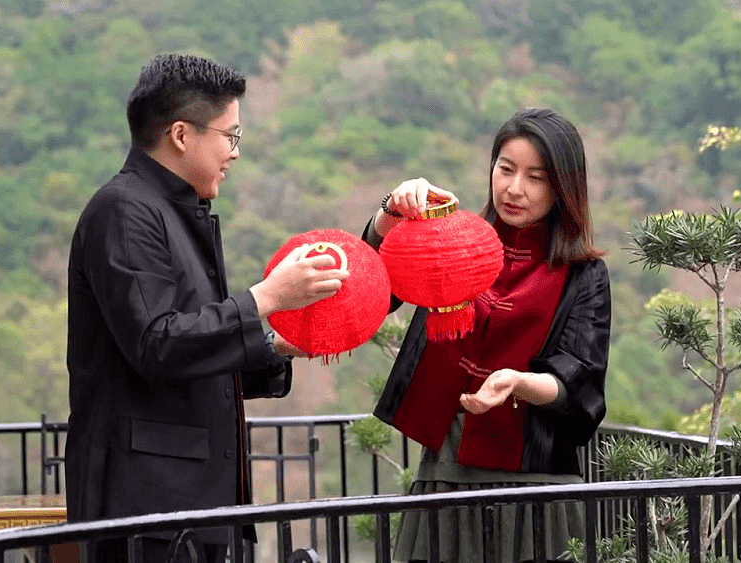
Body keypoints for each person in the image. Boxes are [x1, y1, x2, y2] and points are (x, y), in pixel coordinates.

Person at [65, 54, 348, 562]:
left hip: (190, 509)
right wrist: (266, 298)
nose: (235, 153)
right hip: (147, 513)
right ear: (181, 134)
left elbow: (195, 352)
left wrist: (274, 346)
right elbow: (158, 343)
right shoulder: (124, 211)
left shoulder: (174, 211)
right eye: (230, 136)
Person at [362, 108, 611, 562]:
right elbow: (370, 295)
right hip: (446, 475)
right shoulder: (451, 244)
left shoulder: (584, 274)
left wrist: (517, 382)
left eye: (536, 177)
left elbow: (581, 381)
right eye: (505, 169)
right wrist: (389, 215)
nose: (514, 189)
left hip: (538, 486)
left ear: (563, 188)